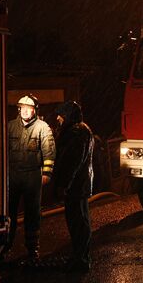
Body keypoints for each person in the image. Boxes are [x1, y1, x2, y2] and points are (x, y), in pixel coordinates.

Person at [4, 94, 56, 264]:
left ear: (34, 111)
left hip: (32, 177)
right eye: (22, 108)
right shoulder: (10, 127)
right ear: (19, 109)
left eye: (29, 109)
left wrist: (46, 173)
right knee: (8, 213)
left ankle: (32, 248)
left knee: (32, 214)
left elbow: (49, 152)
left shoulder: (43, 128)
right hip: (12, 176)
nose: (25, 111)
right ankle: (5, 246)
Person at [54, 101, 94, 273]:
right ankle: (81, 257)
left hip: (76, 186)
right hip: (80, 185)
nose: (58, 119)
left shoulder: (76, 133)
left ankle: (81, 259)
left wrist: (65, 183)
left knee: (77, 222)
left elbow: (72, 162)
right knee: (81, 222)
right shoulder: (82, 130)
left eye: (61, 115)